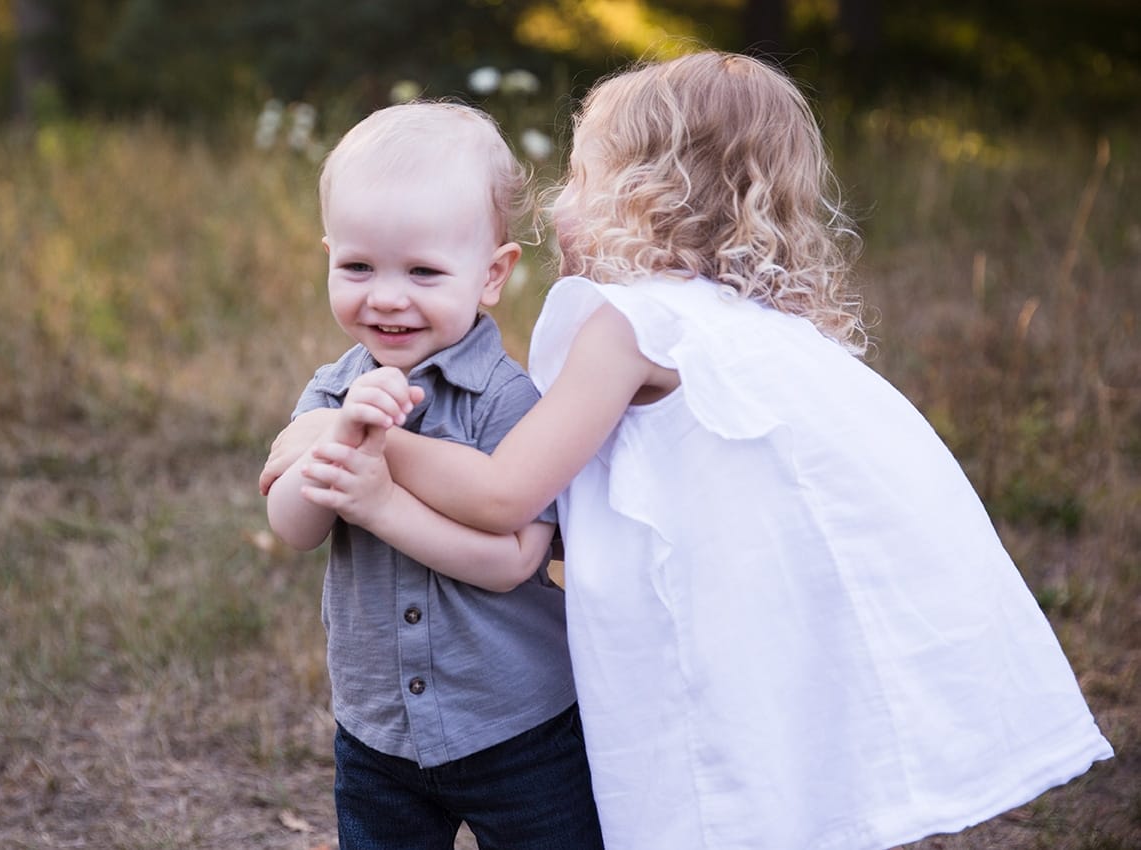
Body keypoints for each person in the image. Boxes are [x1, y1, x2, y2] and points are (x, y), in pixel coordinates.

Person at [276, 53, 1115, 850]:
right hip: (750, 619)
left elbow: (503, 496)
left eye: (576, 177)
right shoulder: (744, 323)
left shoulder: (629, 324)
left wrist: (359, 443)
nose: (557, 206)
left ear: (634, 193)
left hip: (625, 666)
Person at [263, 101, 604, 850]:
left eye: (422, 271)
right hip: (378, 729)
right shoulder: (331, 389)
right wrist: (337, 444)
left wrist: (382, 501)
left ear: (491, 275)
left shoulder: (510, 401)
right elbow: (291, 528)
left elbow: (515, 562)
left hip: (516, 723)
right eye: (356, 266)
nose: (386, 296)